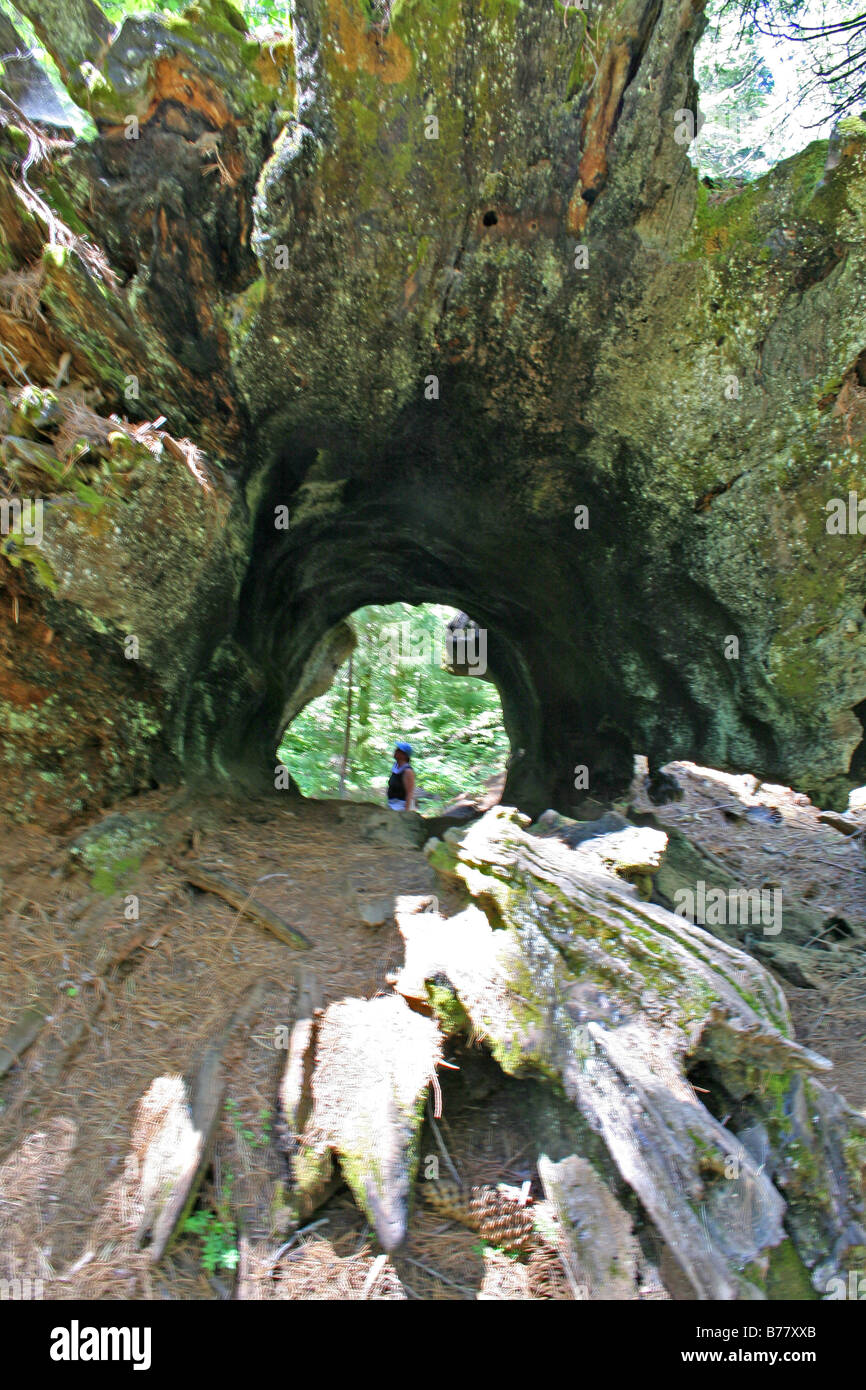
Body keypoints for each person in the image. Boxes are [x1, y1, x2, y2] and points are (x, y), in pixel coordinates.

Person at [387, 741, 415, 811]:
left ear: (405, 755)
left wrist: (406, 812)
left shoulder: (408, 771)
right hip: (391, 805)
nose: (395, 751)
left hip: (401, 807)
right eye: (396, 749)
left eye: (399, 750)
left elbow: (410, 793)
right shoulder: (395, 767)